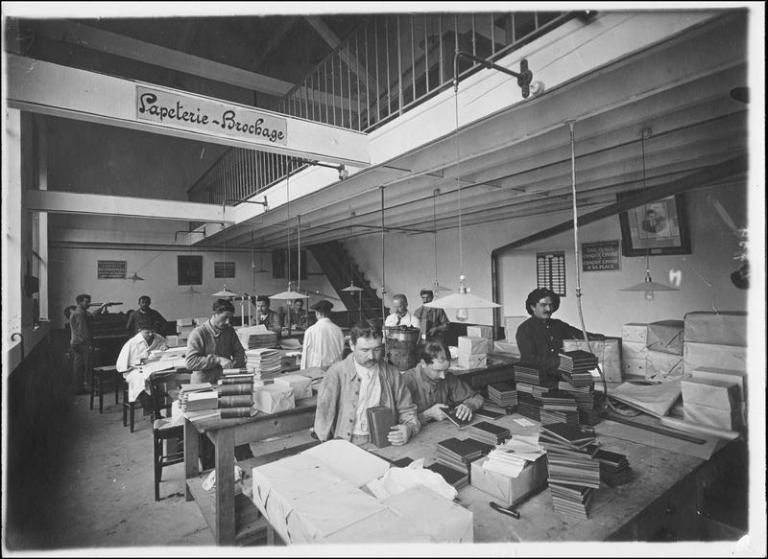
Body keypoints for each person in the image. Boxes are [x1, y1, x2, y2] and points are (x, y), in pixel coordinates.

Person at [314, 319, 420, 446]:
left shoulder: (392, 373)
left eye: (376, 350)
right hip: (346, 442)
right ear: (352, 345)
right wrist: (325, 445)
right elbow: (323, 417)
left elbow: (407, 411)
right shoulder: (336, 373)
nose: (371, 356)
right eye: (365, 350)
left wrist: (408, 429)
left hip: (384, 441)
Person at [515, 288, 604, 379]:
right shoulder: (525, 329)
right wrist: (562, 362)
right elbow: (529, 359)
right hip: (537, 376)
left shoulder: (558, 324)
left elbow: (580, 335)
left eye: (550, 305)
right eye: (543, 305)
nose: (548, 309)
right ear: (532, 307)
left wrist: (600, 338)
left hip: (560, 373)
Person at [403, 338, 483, 425]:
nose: (443, 376)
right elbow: (394, 421)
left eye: (445, 370)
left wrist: (469, 406)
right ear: (423, 363)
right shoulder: (406, 381)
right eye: (437, 371)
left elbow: (477, 397)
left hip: (441, 429)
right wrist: (427, 415)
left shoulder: (448, 377)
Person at [186, 299, 246, 385]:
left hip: (224, 382)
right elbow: (190, 362)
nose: (228, 322)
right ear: (215, 314)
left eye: (230, 318)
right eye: (225, 317)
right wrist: (218, 360)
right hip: (202, 386)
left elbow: (240, 353)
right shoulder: (199, 333)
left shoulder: (229, 331)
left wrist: (233, 364)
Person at [116, 326, 169, 408]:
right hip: (135, 369)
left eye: (152, 331)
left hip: (154, 367)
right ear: (140, 331)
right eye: (147, 332)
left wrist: (165, 348)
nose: (150, 334)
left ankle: (162, 407)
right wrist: (136, 364)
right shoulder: (132, 343)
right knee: (143, 379)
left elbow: (166, 348)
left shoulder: (158, 338)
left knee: (165, 377)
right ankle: (151, 408)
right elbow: (121, 365)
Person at [69, 294, 107, 395]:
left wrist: (101, 307)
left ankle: (78, 388)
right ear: (80, 302)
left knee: (79, 366)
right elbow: (83, 332)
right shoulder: (80, 314)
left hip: (76, 343)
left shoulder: (80, 311)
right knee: (87, 367)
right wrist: (89, 344)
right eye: (87, 302)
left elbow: (92, 315)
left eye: (89, 301)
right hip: (82, 343)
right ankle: (88, 388)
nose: (89, 304)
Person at [300, 300, 345, 370]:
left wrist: (303, 372)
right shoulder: (338, 330)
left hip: (317, 370)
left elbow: (305, 355)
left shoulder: (311, 331)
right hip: (335, 369)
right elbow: (341, 351)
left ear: (318, 313)